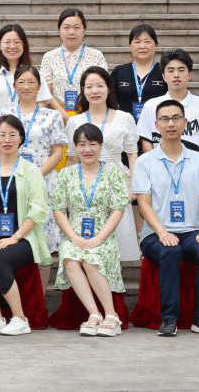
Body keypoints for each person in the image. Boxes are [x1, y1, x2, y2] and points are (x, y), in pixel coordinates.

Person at [133, 99, 199, 337]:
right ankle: (169, 318)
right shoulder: (144, 162)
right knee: (170, 251)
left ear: (185, 123)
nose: (170, 124)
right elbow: (143, 204)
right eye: (164, 119)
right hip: (155, 233)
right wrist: (162, 232)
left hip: (190, 231)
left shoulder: (198, 159)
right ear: (156, 125)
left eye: (175, 118)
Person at [0, 115, 51, 336]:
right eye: (2, 135)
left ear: (21, 138)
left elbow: (38, 210)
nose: (7, 140)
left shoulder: (31, 171)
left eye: (12, 135)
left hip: (23, 238)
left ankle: (20, 318)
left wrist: (15, 237)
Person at [51, 124, 128, 336]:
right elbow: (58, 209)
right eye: (82, 144)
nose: (87, 149)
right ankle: (94, 314)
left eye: (92, 144)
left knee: (90, 258)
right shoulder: (66, 174)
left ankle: (111, 315)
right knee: (70, 257)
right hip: (74, 234)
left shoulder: (113, 173)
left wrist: (99, 238)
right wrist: (73, 237)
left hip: (104, 235)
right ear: (75, 147)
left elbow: (118, 209)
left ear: (101, 146)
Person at [65, 66, 141, 262]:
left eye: (99, 85)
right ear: (83, 90)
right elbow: (72, 158)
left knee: (118, 242)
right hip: (86, 185)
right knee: (88, 243)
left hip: (117, 182)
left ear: (109, 88)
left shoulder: (125, 118)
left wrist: (134, 186)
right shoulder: (75, 122)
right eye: (89, 86)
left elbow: (132, 154)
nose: (95, 91)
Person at [0, 65, 67, 255]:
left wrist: (36, 175)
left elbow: (57, 152)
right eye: (21, 82)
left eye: (31, 82)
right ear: (14, 85)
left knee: (43, 233)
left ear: (39, 86)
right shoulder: (4, 114)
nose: (26, 86)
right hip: (12, 178)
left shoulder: (52, 115)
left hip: (44, 178)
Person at [135, 49, 199, 158]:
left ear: (189, 75)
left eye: (181, 70)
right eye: (171, 70)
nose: (176, 75)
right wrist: (157, 165)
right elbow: (146, 141)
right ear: (164, 76)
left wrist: (197, 166)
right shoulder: (150, 106)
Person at [41, 8, 107, 114]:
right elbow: (46, 93)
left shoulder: (96, 56)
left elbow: (101, 88)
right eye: (66, 28)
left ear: (84, 30)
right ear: (59, 30)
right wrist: (65, 117)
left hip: (89, 114)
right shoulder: (49, 57)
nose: (71, 32)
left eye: (76, 28)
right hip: (58, 115)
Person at [0, 24, 51, 114]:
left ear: (24, 45)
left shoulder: (34, 73)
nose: (12, 46)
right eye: (7, 42)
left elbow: (42, 102)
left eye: (17, 42)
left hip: (28, 122)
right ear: (0, 45)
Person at [111, 24, 167, 124]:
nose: (142, 46)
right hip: (125, 127)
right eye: (137, 42)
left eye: (147, 42)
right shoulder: (119, 72)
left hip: (157, 127)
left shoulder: (164, 70)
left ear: (156, 45)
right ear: (130, 45)